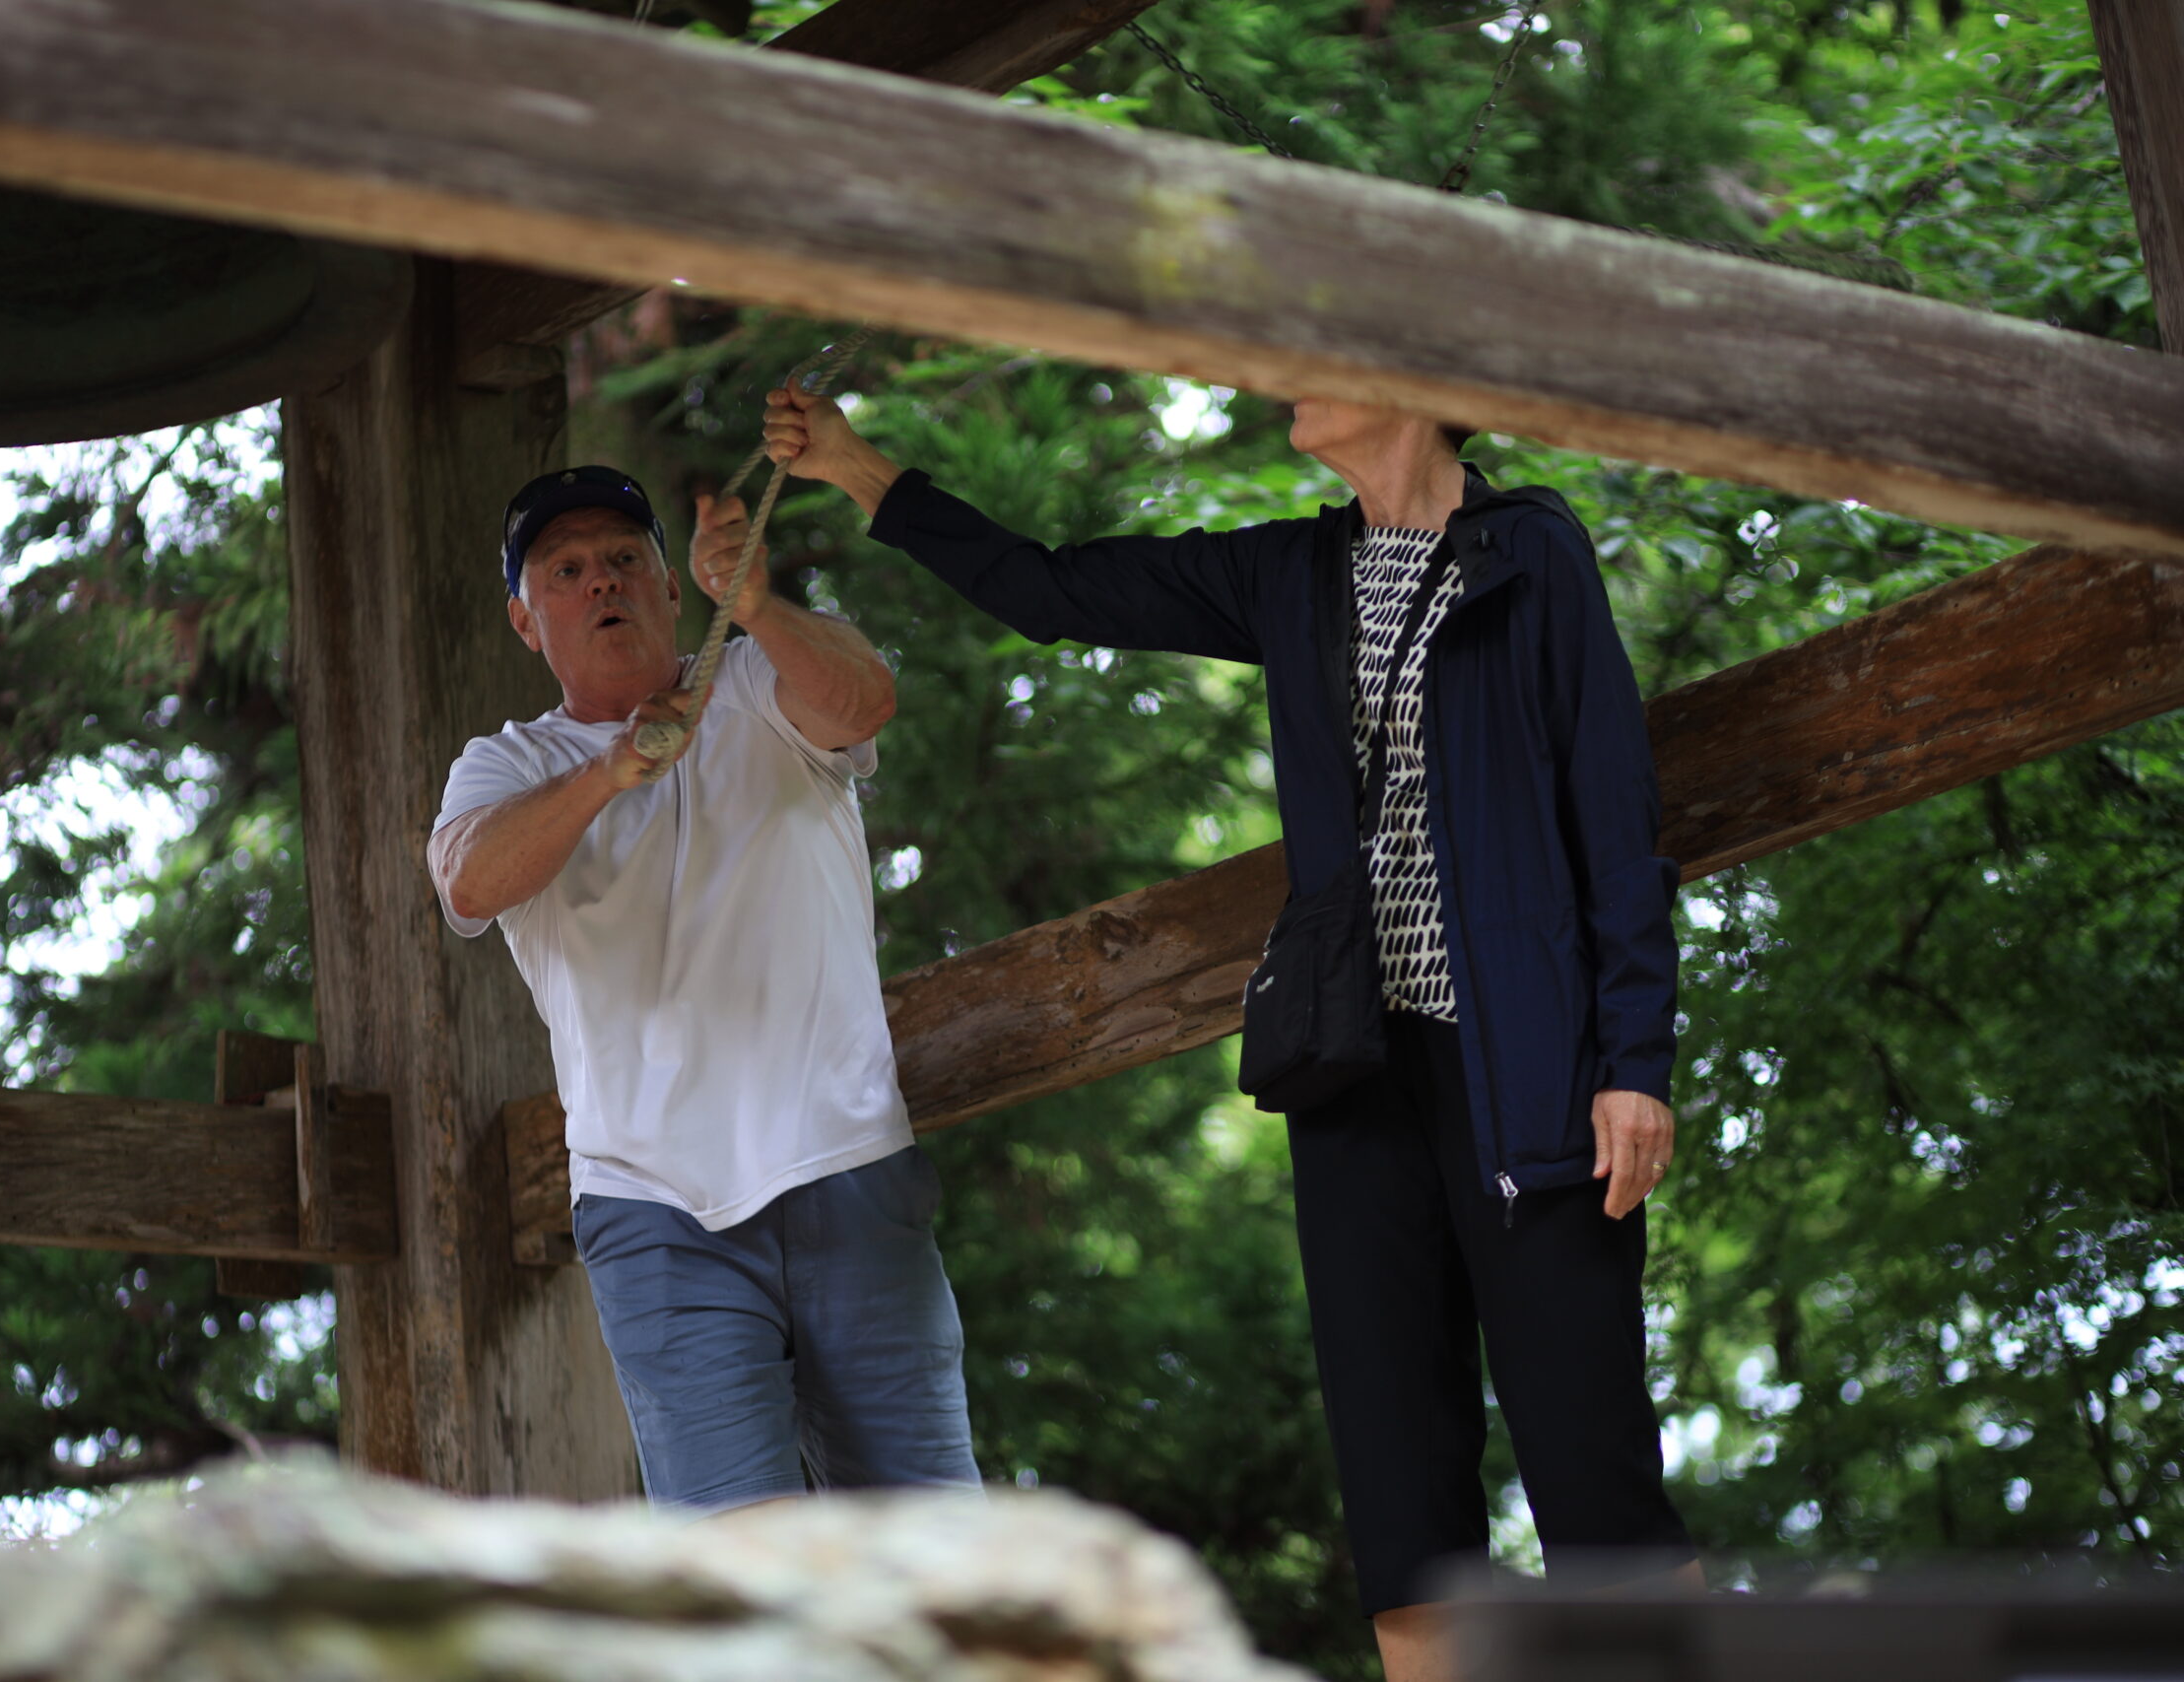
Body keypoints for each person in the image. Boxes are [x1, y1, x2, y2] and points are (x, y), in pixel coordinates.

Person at [763, 385, 1700, 1675]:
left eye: (1320, 359)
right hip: (1355, 1078)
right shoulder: (1294, 570)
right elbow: (1053, 591)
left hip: (1535, 1078)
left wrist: (1633, 1061)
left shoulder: (1534, 551)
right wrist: (863, 470)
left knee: (1592, 1458)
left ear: (1415, 391)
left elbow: (1615, 813)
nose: (1284, 381)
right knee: (1399, 1484)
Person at [426, 464, 980, 1516]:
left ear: (674, 587)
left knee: (939, 1555)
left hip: (848, 1159)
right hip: (653, 1211)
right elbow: (467, 879)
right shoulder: (505, 766)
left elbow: (869, 698)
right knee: (738, 1574)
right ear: (522, 620)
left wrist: (762, 605)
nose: (604, 584)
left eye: (627, 559)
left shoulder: (763, 681)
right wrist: (611, 770)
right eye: (567, 569)